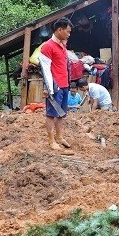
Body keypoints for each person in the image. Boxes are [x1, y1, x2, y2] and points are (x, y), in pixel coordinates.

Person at [38, 18, 73, 150]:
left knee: (61, 113)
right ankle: (51, 140)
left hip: (64, 85)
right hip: (55, 86)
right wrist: (48, 87)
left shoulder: (62, 45)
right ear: (59, 30)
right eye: (68, 32)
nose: (69, 34)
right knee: (51, 114)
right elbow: (45, 69)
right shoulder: (48, 46)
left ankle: (59, 136)